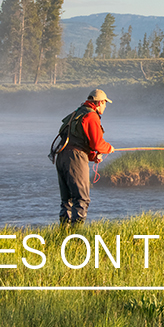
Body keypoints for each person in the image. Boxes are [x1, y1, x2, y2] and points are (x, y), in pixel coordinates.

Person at [54, 88, 115, 225]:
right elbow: (98, 144)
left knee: (67, 199)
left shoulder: (77, 113)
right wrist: (108, 148)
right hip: (75, 158)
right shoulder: (92, 116)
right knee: (82, 199)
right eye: (105, 103)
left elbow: (78, 140)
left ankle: (64, 233)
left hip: (62, 156)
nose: (105, 106)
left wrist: (93, 156)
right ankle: (77, 234)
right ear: (99, 103)